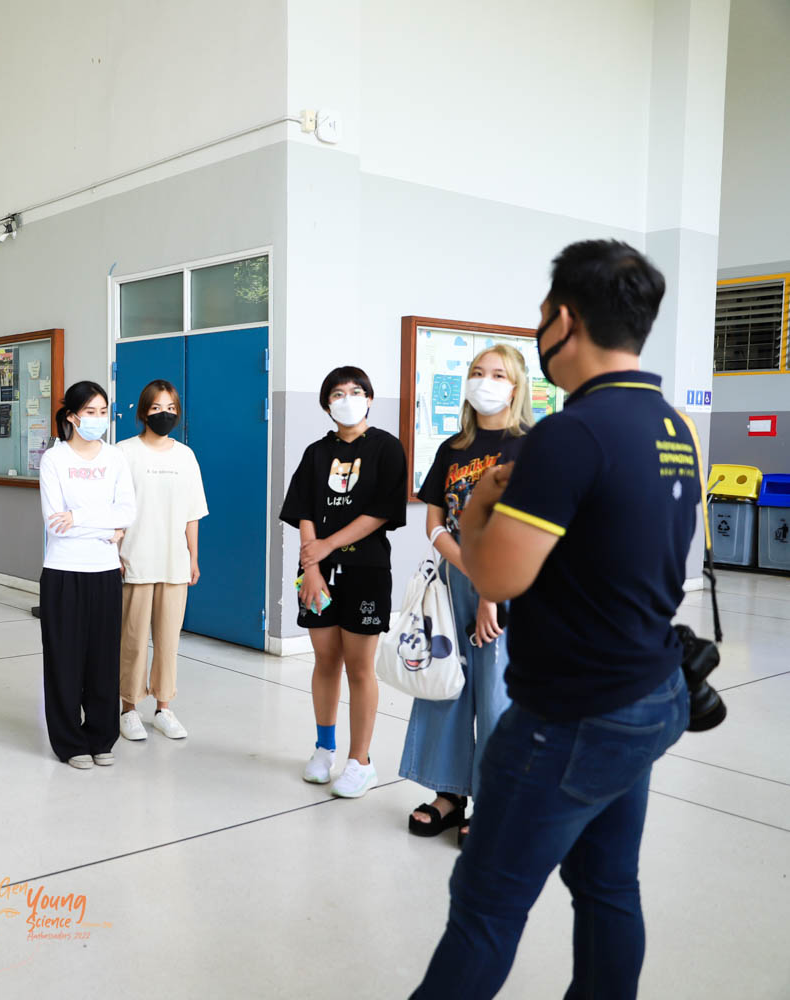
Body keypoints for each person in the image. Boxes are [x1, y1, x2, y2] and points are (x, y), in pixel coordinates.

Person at [410, 241, 695, 999]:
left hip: (570, 716)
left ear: (564, 321)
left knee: (485, 911)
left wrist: (478, 505)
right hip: (647, 691)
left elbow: (497, 576)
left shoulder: (571, 434)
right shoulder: (671, 426)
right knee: (609, 886)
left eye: (542, 318)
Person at [400, 344, 531, 845]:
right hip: (456, 578)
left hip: (508, 581)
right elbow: (435, 520)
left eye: (498, 374)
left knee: (497, 694)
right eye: (478, 372)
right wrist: (469, 568)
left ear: (515, 387)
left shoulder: (529, 447)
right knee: (446, 684)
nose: (486, 381)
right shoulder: (453, 448)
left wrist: (489, 589)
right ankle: (449, 793)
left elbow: (524, 527)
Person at [280, 366, 407, 798]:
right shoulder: (317, 453)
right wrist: (312, 566)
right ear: (326, 404)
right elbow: (304, 510)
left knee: (359, 667)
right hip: (317, 573)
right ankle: (324, 749)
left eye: (356, 391)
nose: (347, 399)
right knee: (325, 660)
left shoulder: (386, 448)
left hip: (366, 571)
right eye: (337, 393)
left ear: (369, 399)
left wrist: (326, 546)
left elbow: (381, 513)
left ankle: (360, 761)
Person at [39, 381, 136, 769]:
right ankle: (69, 742)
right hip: (63, 571)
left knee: (103, 659)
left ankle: (101, 736)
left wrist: (78, 517)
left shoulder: (115, 458)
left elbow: (127, 512)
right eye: (90, 412)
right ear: (72, 416)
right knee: (64, 660)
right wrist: (106, 528)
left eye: (103, 412)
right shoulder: (55, 459)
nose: (98, 419)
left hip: (105, 571)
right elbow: (54, 523)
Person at [116, 379, 208, 742]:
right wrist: (114, 553)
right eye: (156, 408)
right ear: (143, 412)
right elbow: (115, 511)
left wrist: (193, 558)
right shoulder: (124, 453)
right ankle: (128, 709)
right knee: (133, 640)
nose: (164, 414)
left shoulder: (185, 456)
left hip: (174, 562)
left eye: (170, 408)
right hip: (135, 559)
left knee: (168, 641)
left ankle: (163, 708)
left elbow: (192, 513)